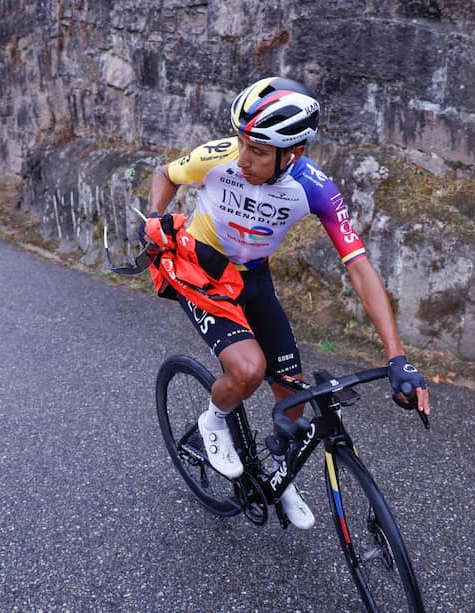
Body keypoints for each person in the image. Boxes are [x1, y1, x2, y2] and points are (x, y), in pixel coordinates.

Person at [141, 76, 430, 529]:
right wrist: (156, 219)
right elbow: (165, 175)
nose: (243, 157)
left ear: (291, 153)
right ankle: (215, 420)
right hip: (202, 273)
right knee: (248, 369)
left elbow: (359, 268)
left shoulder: (316, 188)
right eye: (241, 143)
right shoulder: (218, 158)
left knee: (292, 399)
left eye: (257, 151)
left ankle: (279, 475)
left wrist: (398, 357)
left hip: (254, 279)